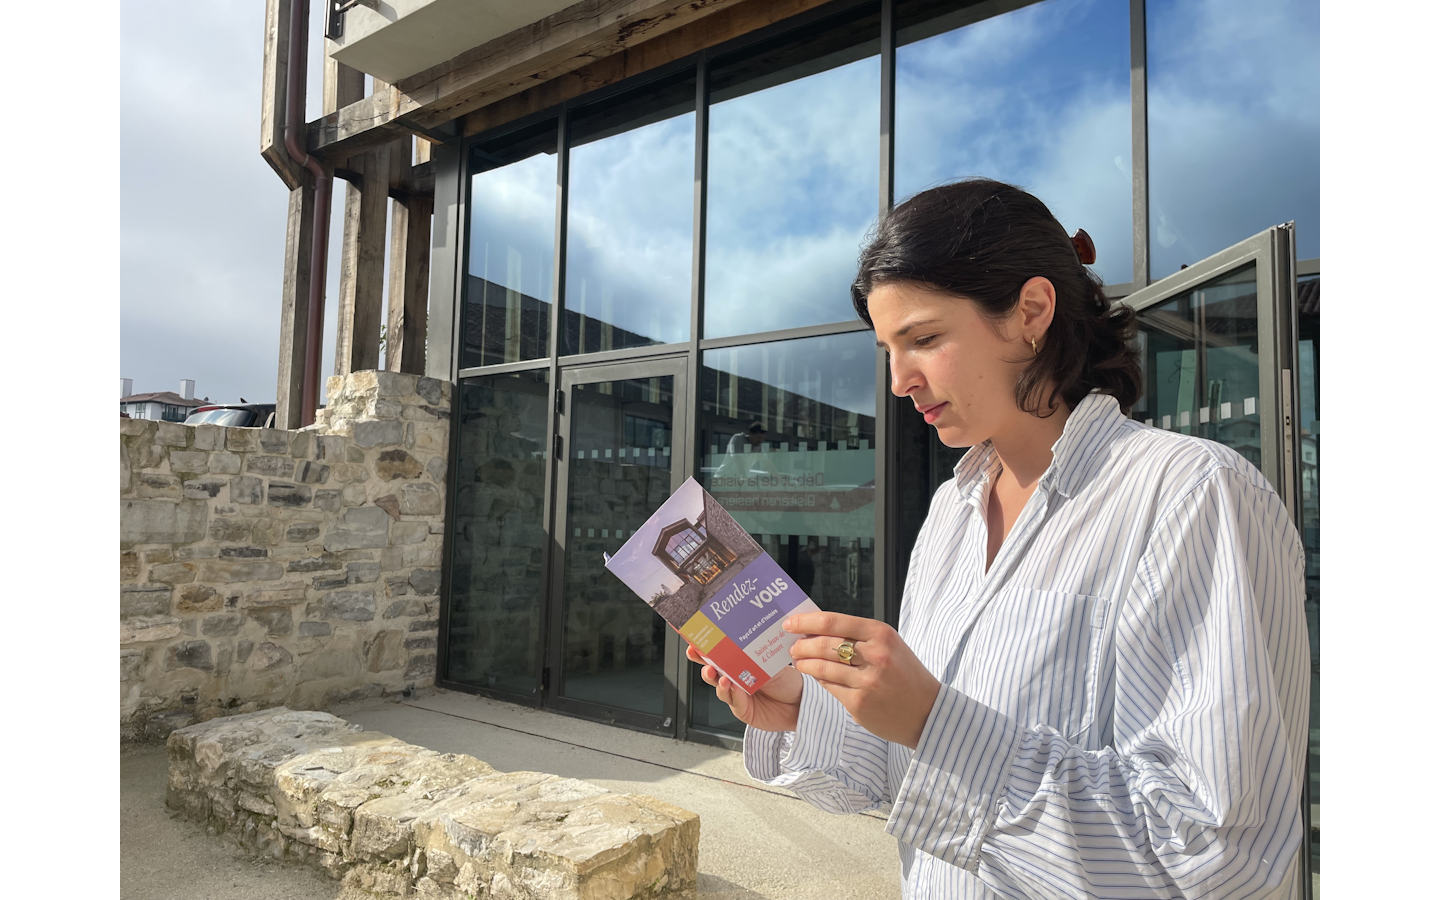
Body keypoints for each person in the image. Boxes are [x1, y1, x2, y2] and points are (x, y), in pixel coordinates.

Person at [687, 179, 1309, 898]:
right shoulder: (951, 512)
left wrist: (934, 721)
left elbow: (1215, 856)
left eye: (924, 339)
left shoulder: (1189, 496)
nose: (899, 380)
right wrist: (803, 701)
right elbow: (916, 770)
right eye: (888, 349)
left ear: (1031, 311)